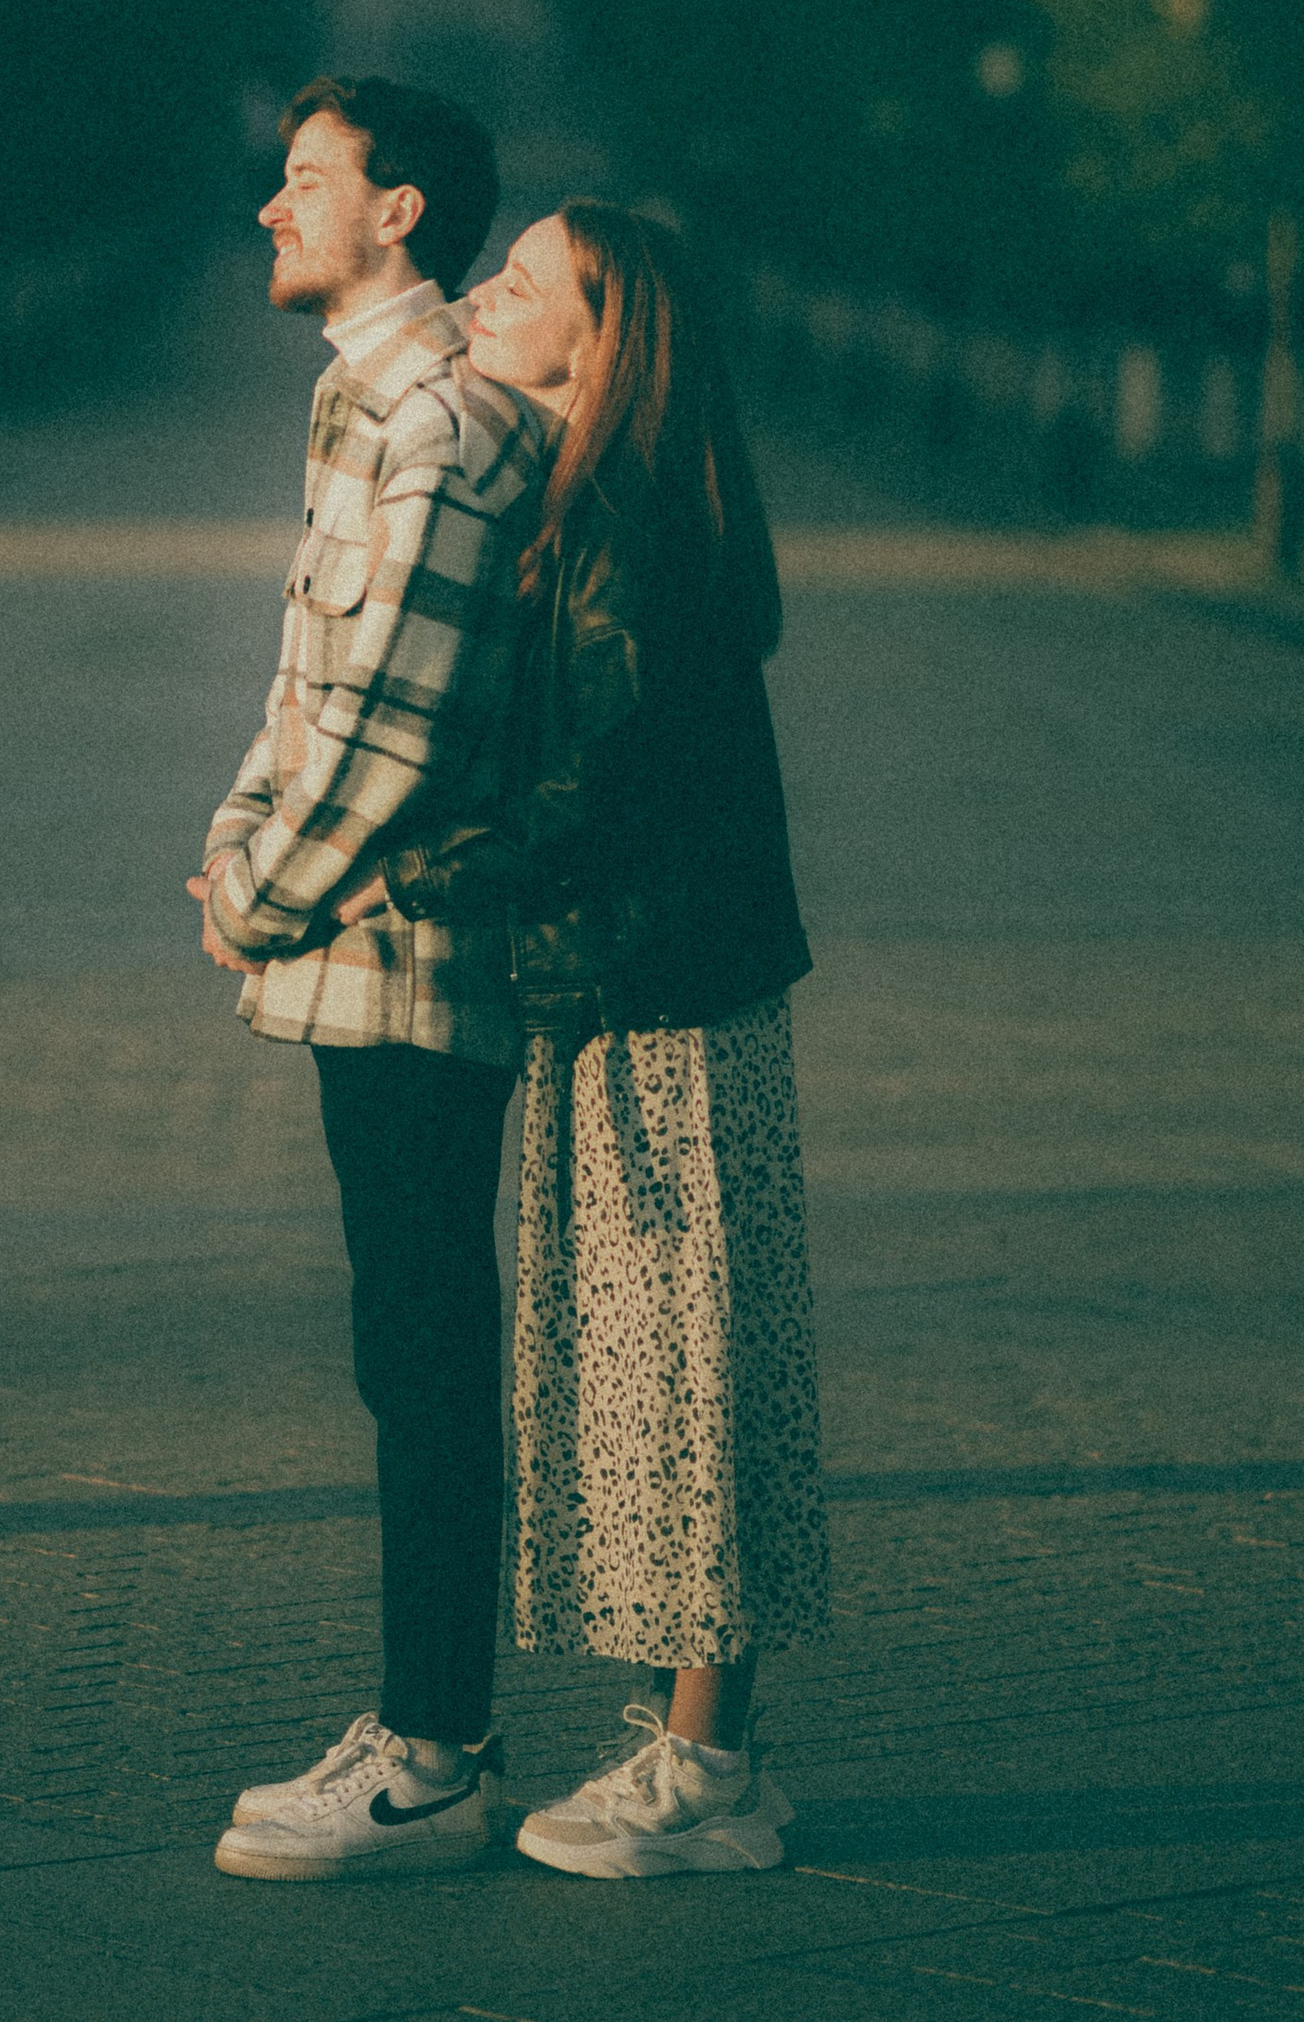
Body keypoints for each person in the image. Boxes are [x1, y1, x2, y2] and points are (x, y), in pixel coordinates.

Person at [374, 198, 828, 1878]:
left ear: (605, 335)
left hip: (668, 1006)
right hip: (643, 994)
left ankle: (705, 1774)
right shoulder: (614, 510)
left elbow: (589, 799)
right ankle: (701, 1748)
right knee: (656, 1385)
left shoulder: (623, 529)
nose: (484, 294)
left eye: (523, 283)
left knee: (686, 1381)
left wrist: (391, 873)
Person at [191, 76, 549, 1884]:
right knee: (398, 1338)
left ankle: (436, 1752)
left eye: (307, 178)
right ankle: (422, 1723)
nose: (274, 205)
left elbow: (398, 721)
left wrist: (257, 889)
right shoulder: (368, 400)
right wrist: (245, 842)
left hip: (411, 958)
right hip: (358, 949)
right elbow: (307, 686)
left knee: (422, 1347)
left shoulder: (439, 417)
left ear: (400, 211)